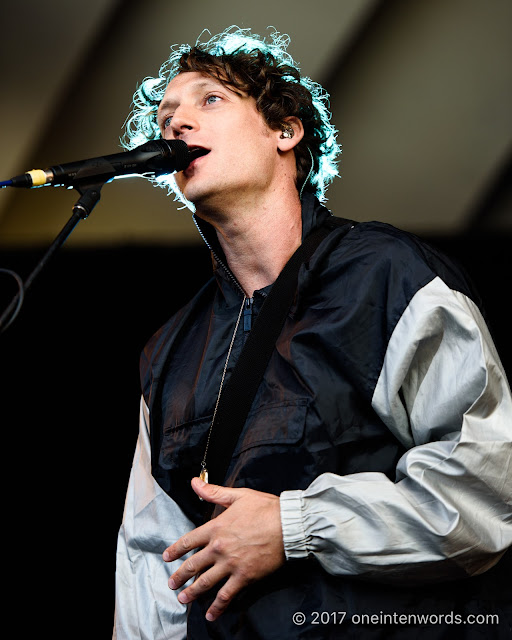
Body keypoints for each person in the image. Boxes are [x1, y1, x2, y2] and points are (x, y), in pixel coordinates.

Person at [113, 27, 512, 639]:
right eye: (166, 117)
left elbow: (485, 494)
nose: (177, 125)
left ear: (285, 131)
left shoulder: (386, 275)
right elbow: (150, 562)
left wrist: (294, 526)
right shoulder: (168, 350)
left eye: (209, 100)